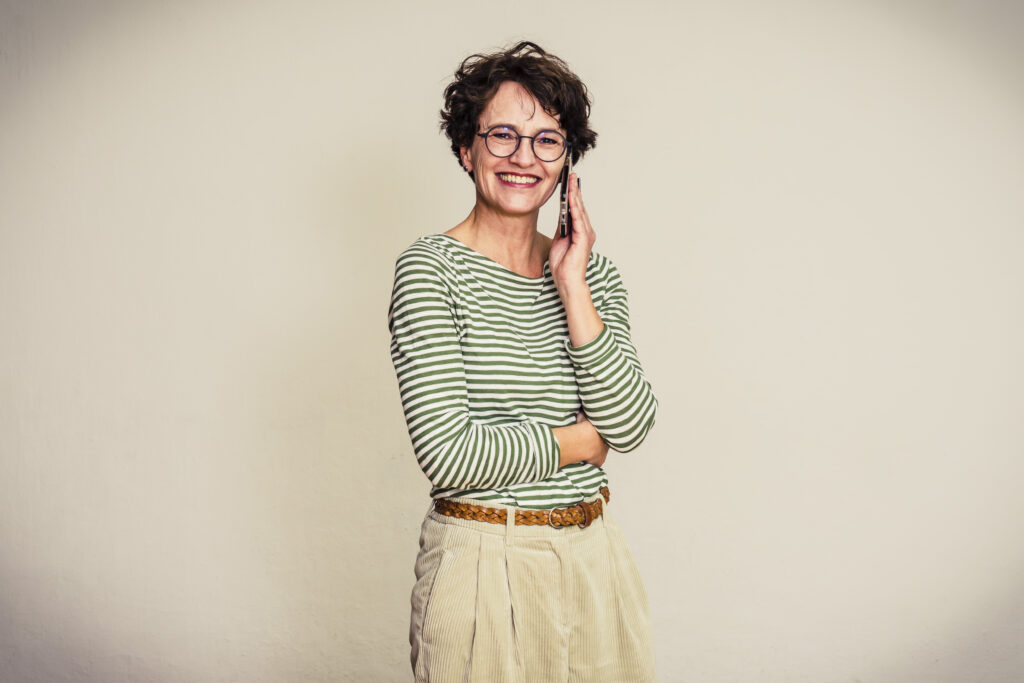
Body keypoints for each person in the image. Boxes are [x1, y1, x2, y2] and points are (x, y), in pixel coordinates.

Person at [388, 41, 658, 683]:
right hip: (483, 558)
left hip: (595, 557)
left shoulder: (597, 279)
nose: (522, 158)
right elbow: (451, 455)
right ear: (466, 149)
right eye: (502, 135)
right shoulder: (430, 272)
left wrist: (572, 284)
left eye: (546, 141)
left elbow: (631, 424)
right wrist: (579, 440)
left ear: (567, 162)